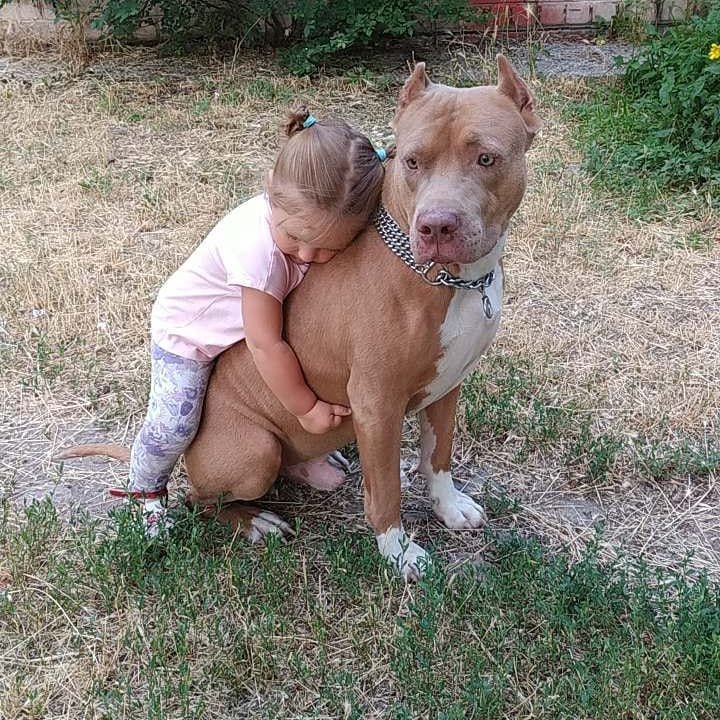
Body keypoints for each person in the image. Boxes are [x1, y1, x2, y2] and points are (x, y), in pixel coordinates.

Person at [118, 108, 387, 535]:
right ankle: (145, 489)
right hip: (190, 334)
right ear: (270, 190)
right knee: (176, 422)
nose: (305, 256)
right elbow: (266, 345)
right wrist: (308, 408)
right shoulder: (259, 256)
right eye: (296, 239)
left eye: (326, 249)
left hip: (239, 326)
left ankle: (293, 457)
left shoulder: (299, 219)